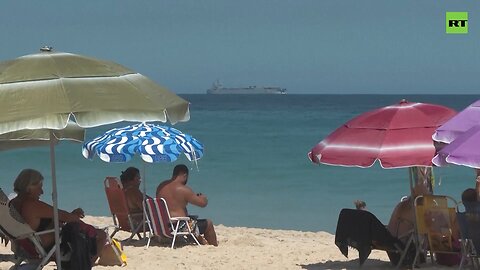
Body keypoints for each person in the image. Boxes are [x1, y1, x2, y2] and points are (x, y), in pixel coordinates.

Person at [10, 169, 107, 263]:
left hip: (22, 246)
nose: (42, 191)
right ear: (29, 187)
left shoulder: (13, 204)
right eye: (40, 187)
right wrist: (73, 218)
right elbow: (63, 215)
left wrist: (70, 216)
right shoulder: (31, 205)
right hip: (43, 248)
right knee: (101, 235)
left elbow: (56, 218)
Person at [156, 164, 218, 246]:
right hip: (178, 226)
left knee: (191, 220)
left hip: (163, 225)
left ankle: (201, 241)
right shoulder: (183, 189)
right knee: (208, 223)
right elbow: (202, 204)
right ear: (185, 175)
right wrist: (203, 198)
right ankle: (214, 246)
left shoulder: (161, 186)